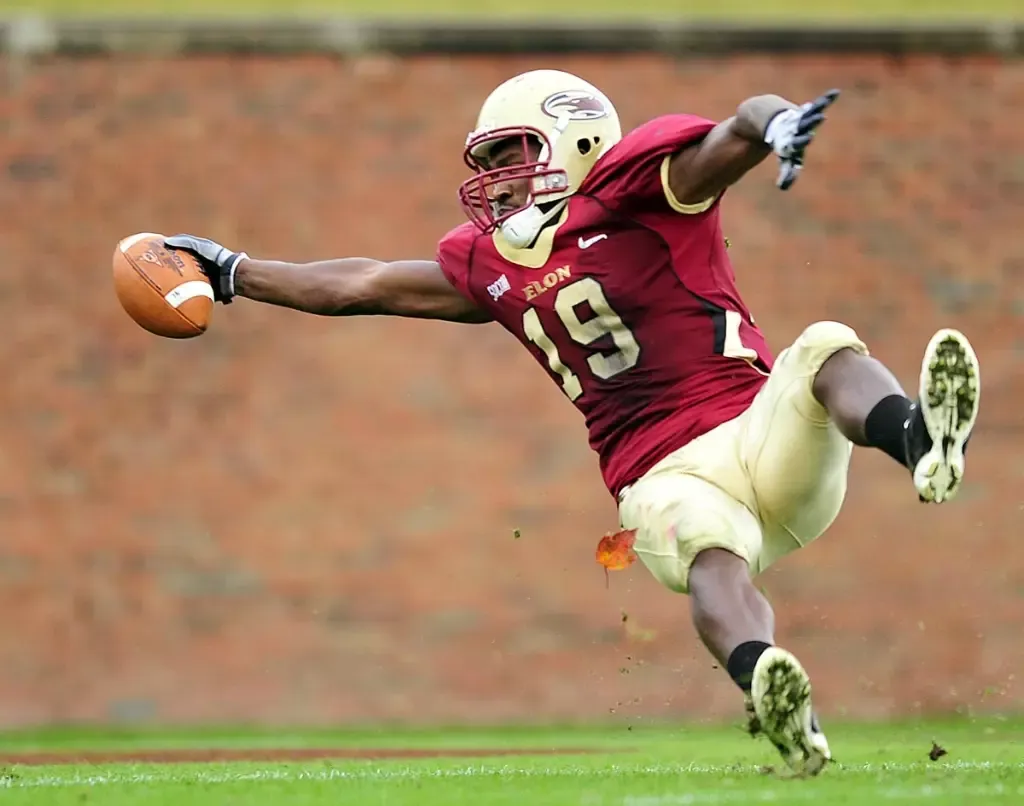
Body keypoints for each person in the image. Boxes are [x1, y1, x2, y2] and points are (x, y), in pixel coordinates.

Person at [163, 69, 980, 776]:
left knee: (825, 348)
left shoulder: (643, 192)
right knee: (706, 545)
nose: (498, 177)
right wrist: (235, 272)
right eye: (488, 161)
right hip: (661, 475)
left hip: (759, 431)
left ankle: (923, 444)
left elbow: (735, 127)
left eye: (512, 154)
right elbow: (363, 283)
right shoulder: (486, 264)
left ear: (577, 143)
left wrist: (777, 124)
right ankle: (774, 691)